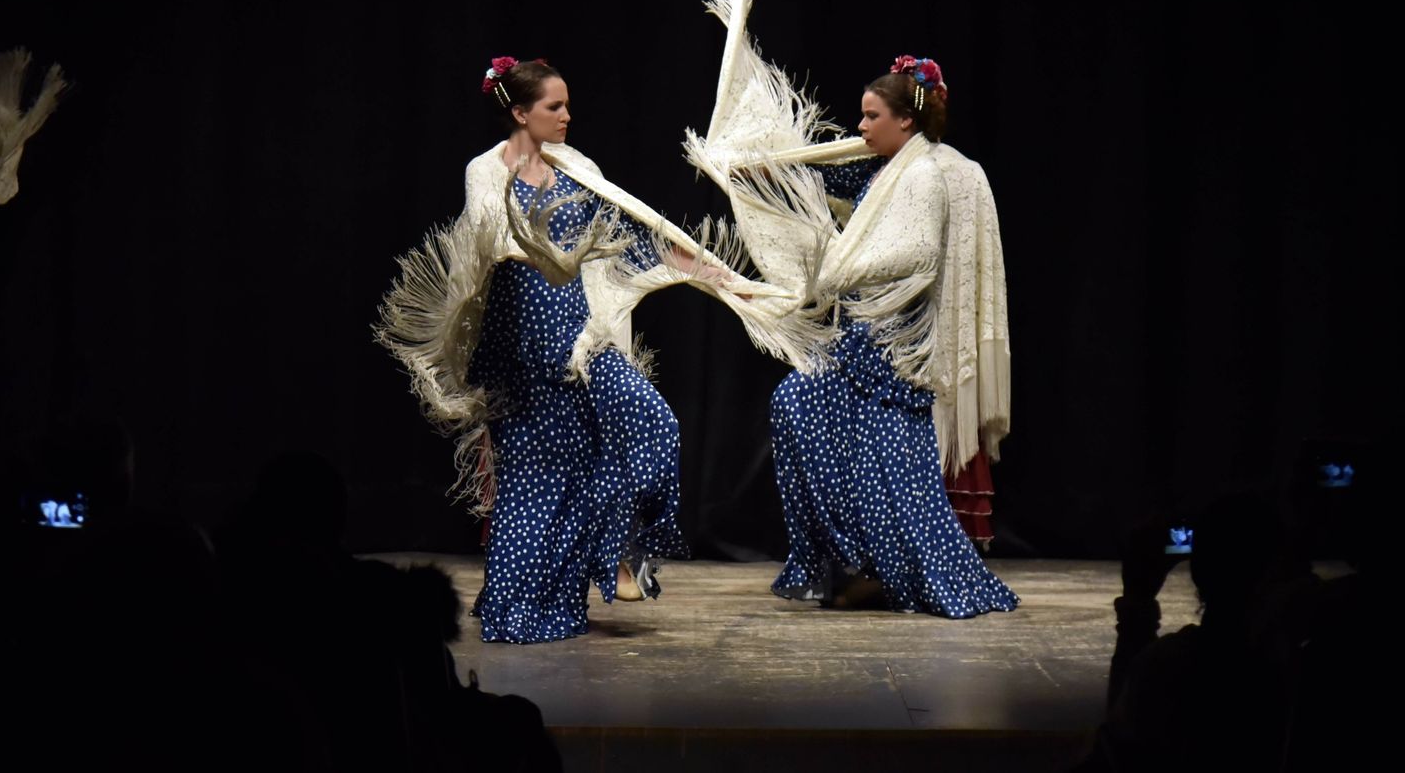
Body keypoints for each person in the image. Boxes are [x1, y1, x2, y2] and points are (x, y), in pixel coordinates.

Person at [378, 57, 783, 642]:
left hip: (579, 343)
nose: (567, 116)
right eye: (553, 107)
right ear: (519, 112)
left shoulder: (579, 167)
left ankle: (611, 545)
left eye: (567, 105)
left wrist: (721, 277)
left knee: (651, 426)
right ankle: (516, 606)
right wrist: (550, 252)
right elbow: (489, 239)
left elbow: (631, 232)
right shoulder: (488, 171)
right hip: (519, 348)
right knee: (536, 480)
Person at [760, 57, 1018, 617]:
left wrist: (834, 271)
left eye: (870, 116)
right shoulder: (887, 171)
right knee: (799, 410)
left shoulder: (923, 174)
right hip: (865, 340)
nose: (860, 128)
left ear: (905, 121)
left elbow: (919, 254)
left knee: (828, 424)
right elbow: (834, 194)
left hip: (891, 351)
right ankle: (852, 557)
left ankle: (869, 562)